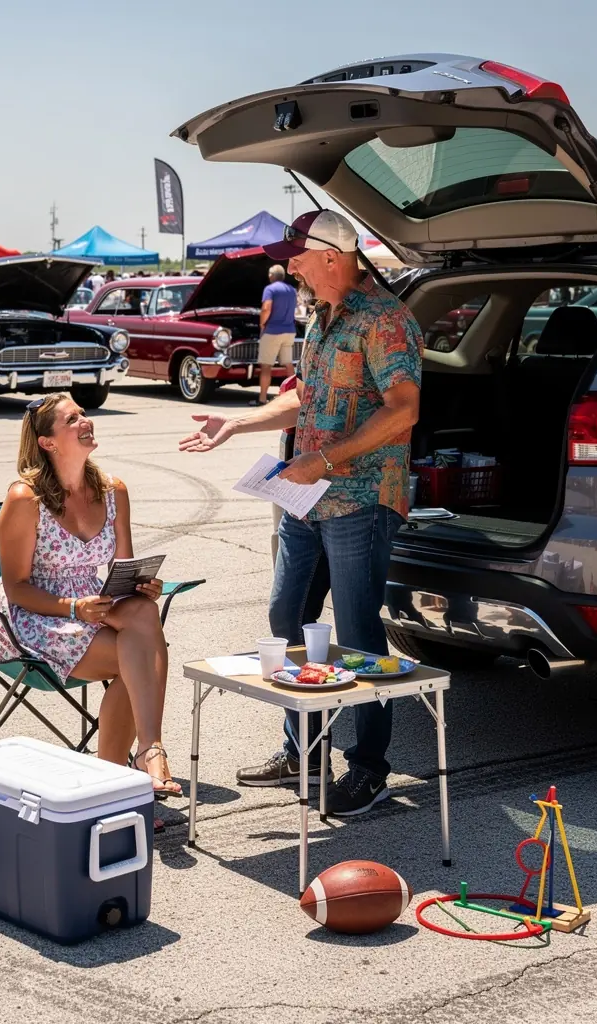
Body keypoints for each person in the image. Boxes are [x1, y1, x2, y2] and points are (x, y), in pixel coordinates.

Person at [180, 209, 422, 815]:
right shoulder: (321, 316)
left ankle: (368, 769)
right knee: (286, 617)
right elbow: (301, 397)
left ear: (334, 258)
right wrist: (235, 422)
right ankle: (303, 750)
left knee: (360, 633)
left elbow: (403, 410)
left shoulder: (386, 320)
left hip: (360, 498)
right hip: (307, 496)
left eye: (299, 257)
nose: (290, 267)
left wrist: (326, 461)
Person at [0, 393, 181, 798]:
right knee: (140, 657)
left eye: (83, 414)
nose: (85, 421)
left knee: (144, 611)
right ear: (48, 442)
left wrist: (143, 584)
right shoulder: (26, 499)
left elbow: (121, 567)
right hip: (34, 613)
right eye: (73, 419)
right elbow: (15, 587)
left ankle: (144, 752)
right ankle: (120, 776)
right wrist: (73, 607)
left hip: (94, 602)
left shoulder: (113, 490)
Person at [253, 264, 297, 406]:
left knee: (266, 366)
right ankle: (297, 396)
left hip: (272, 331)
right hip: (289, 330)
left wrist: (262, 324)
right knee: (288, 364)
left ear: (271, 276)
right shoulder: (292, 290)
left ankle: (262, 398)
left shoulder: (270, 289)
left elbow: (266, 308)